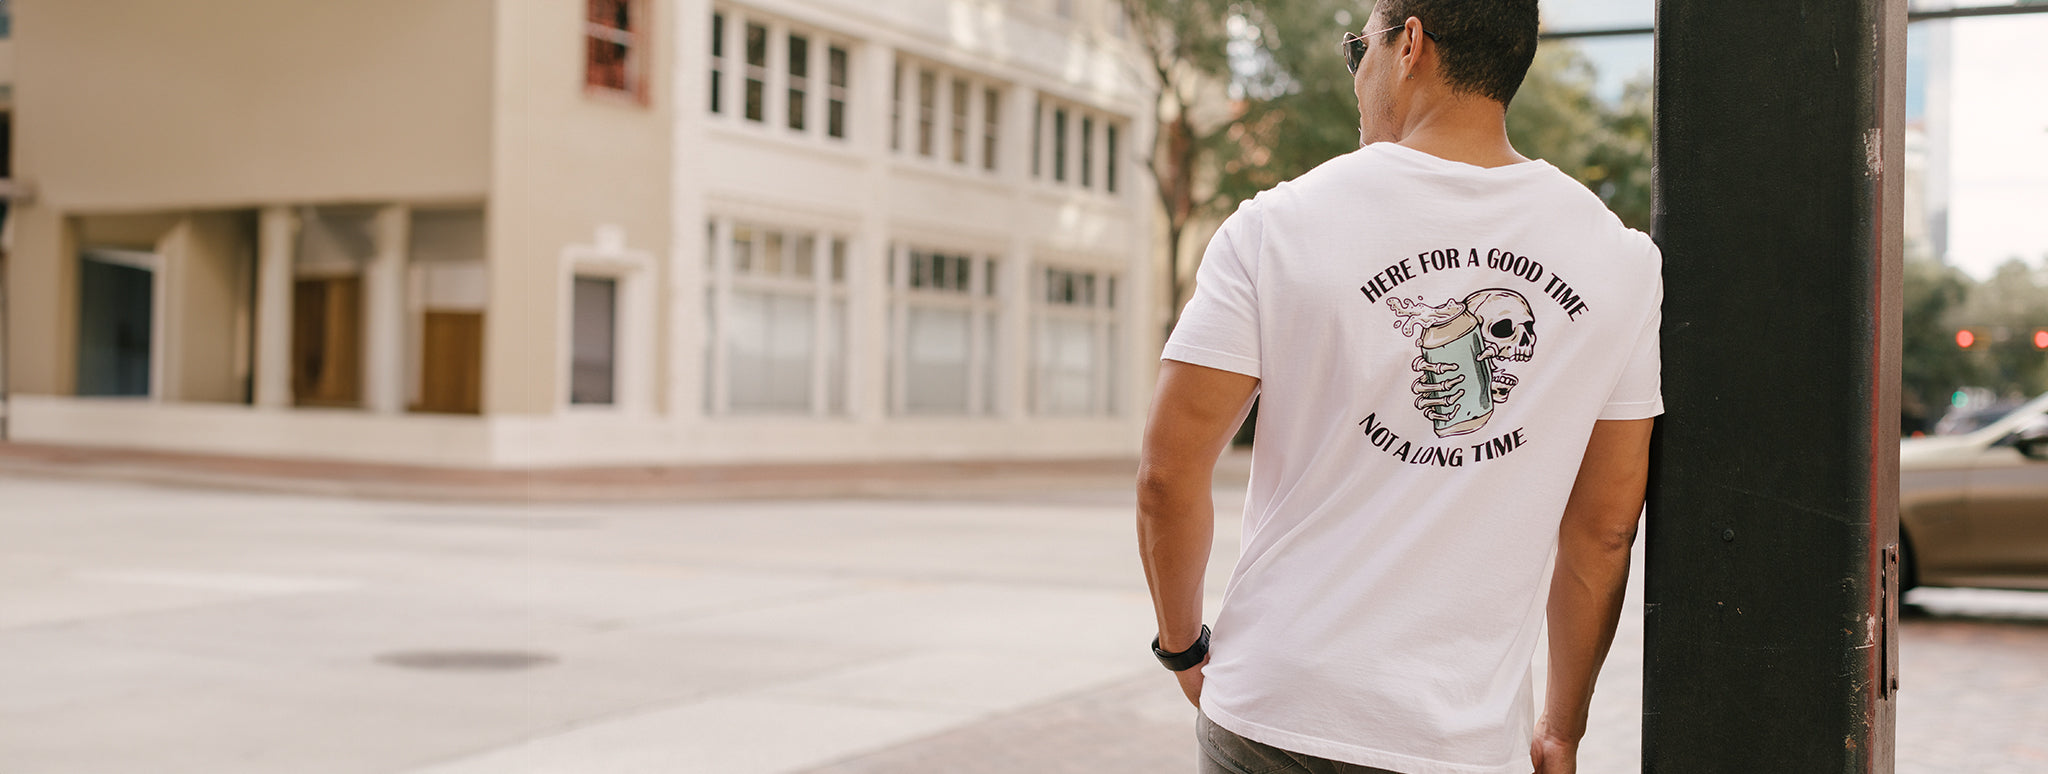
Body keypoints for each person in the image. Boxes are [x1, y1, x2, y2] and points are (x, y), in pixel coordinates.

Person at [1135, 2, 1662, 773]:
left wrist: (1182, 646)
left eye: (1361, 49)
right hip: (1461, 741)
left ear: (1409, 43)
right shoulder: (1619, 262)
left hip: (1275, 711)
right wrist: (1561, 727)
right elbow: (1604, 531)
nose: (1359, 76)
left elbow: (1167, 475)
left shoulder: (1276, 226)